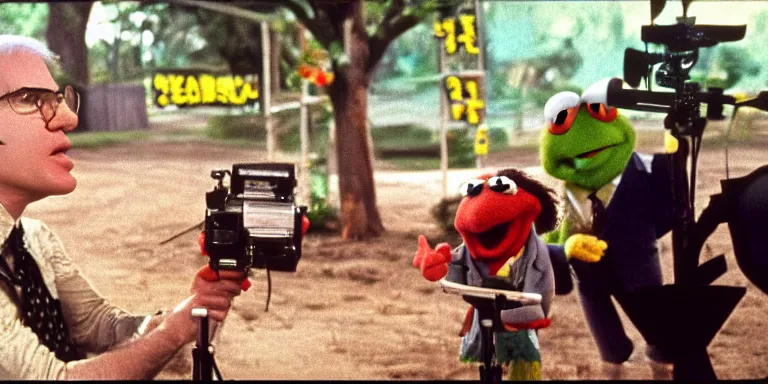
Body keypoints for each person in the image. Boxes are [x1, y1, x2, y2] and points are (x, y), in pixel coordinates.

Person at [0, 35, 246, 380]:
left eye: (59, 99)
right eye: (30, 98)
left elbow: (101, 326)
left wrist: (184, 314)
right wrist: (171, 333)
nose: (68, 118)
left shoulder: (34, 239)